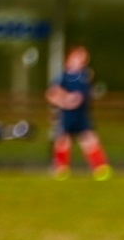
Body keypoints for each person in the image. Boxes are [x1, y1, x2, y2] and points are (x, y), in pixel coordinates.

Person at [45, 46, 112, 181]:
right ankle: (61, 169)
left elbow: (83, 95)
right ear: (69, 59)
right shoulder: (64, 77)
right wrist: (64, 100)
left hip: (81, 115)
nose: (81, 60)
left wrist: (76, 99)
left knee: (89, 139)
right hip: (67, 115)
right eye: (78, 57)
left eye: (83, 58)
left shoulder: (85, 76)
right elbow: (52, 93)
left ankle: (101, 168)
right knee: (63, 141)